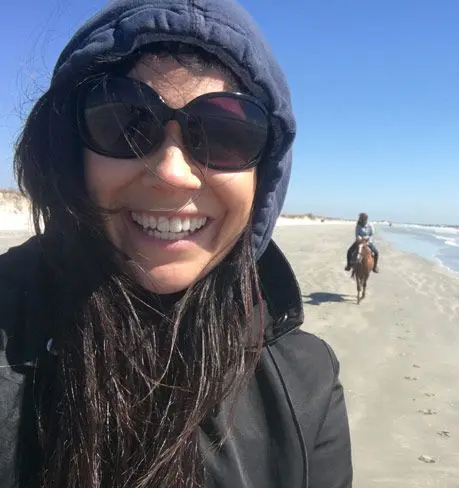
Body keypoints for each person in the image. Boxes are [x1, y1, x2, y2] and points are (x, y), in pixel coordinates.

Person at [0, 1, 353, 487]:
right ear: (68, 153)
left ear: (264, 177)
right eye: (124, 121)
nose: (171, 173)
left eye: (226, 133)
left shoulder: (307, 384)